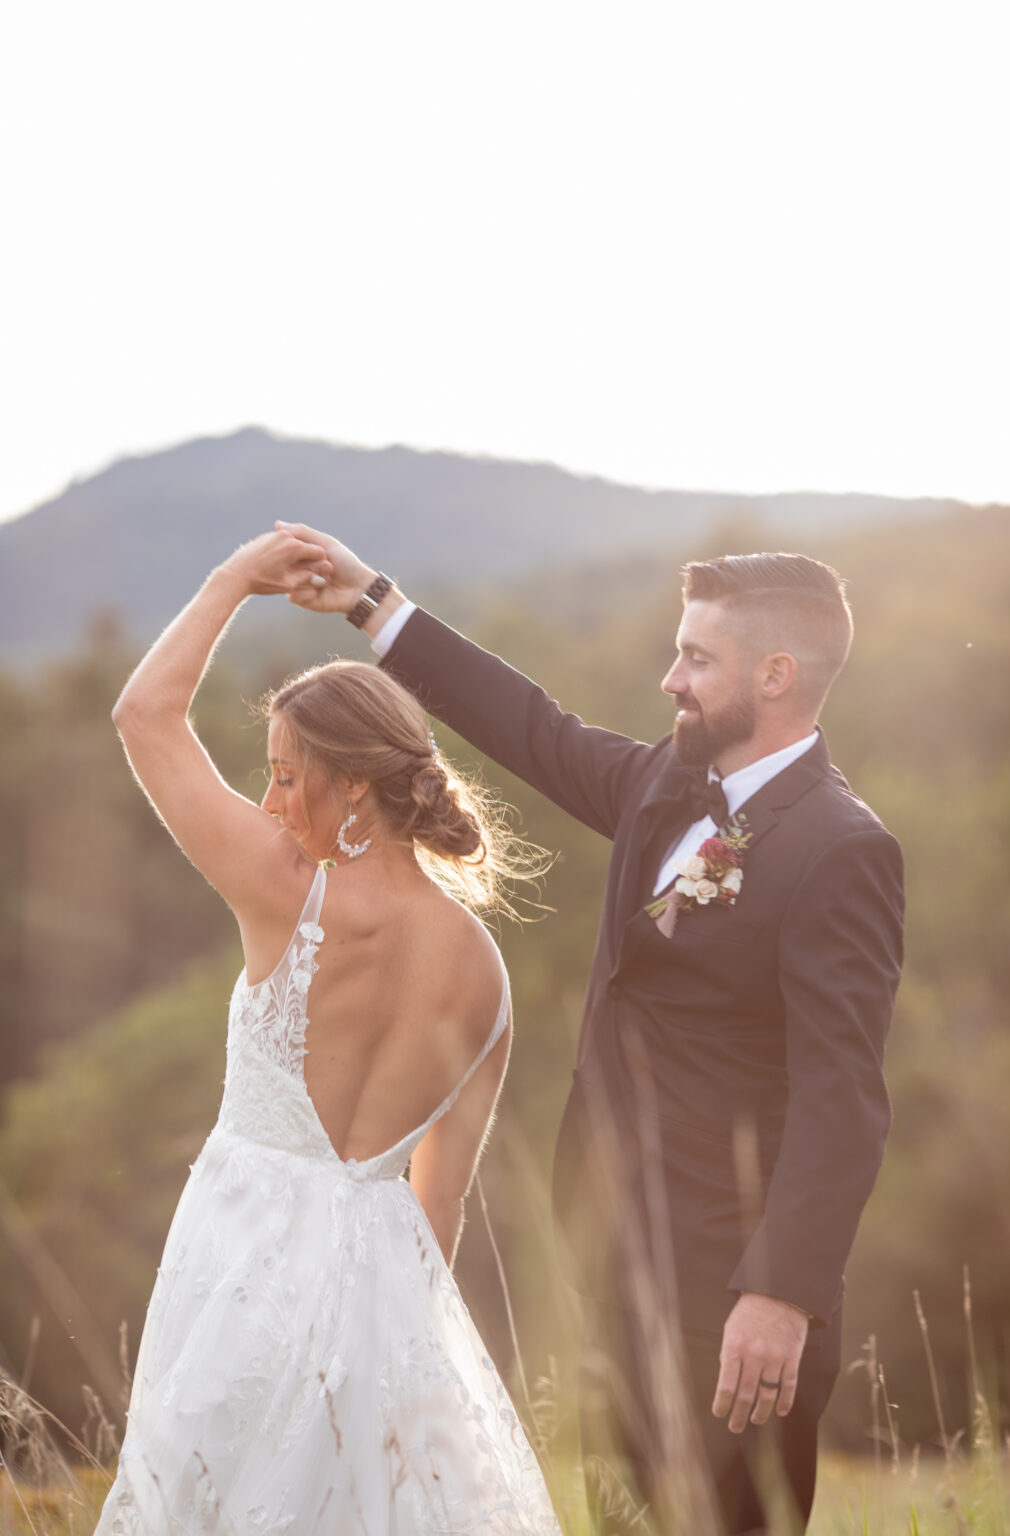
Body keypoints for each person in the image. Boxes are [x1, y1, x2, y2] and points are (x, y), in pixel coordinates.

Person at [280, 525, 905, 1535]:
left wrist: (780, 1296)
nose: (670, 679)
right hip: (615, 1263)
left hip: (733, 1300)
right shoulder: (663, 786)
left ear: (777, 675)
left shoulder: (842, 850)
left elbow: (845, 1099)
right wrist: (371, 603)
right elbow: (530, 726)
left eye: (697, 659)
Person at [94, 529, 562, 1535]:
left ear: (354, 783)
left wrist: (232, 579)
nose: (268, 802)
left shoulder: (281, 891)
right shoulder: (487, 971)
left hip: (244, 1258)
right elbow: (442, 1207)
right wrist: (402, 1357)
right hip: (386, 1294)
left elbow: (143, 715)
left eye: (282, 776)